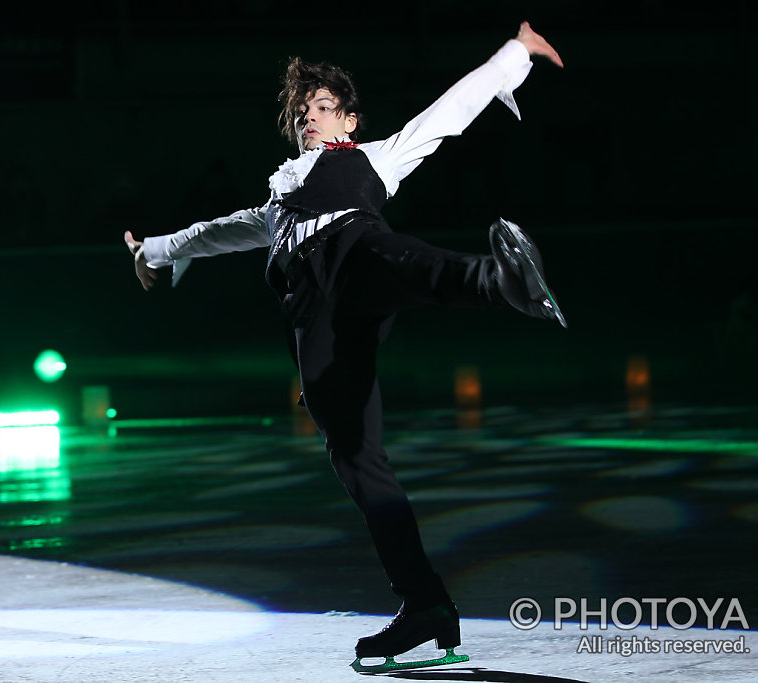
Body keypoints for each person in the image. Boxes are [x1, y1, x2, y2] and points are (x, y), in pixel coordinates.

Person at [124, 22, 566, 668]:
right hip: (312, 321)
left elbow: (447, 114)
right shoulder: (274, 205)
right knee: (359, 461)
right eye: (303, 110)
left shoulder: (373, 157)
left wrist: (515, 53)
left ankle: (500, 280)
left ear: (349, 119)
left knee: (384, 255)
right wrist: (151, 252)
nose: (309, 116)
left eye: (323, 107)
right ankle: (425, 603)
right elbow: (211, 233)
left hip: (353, 255)